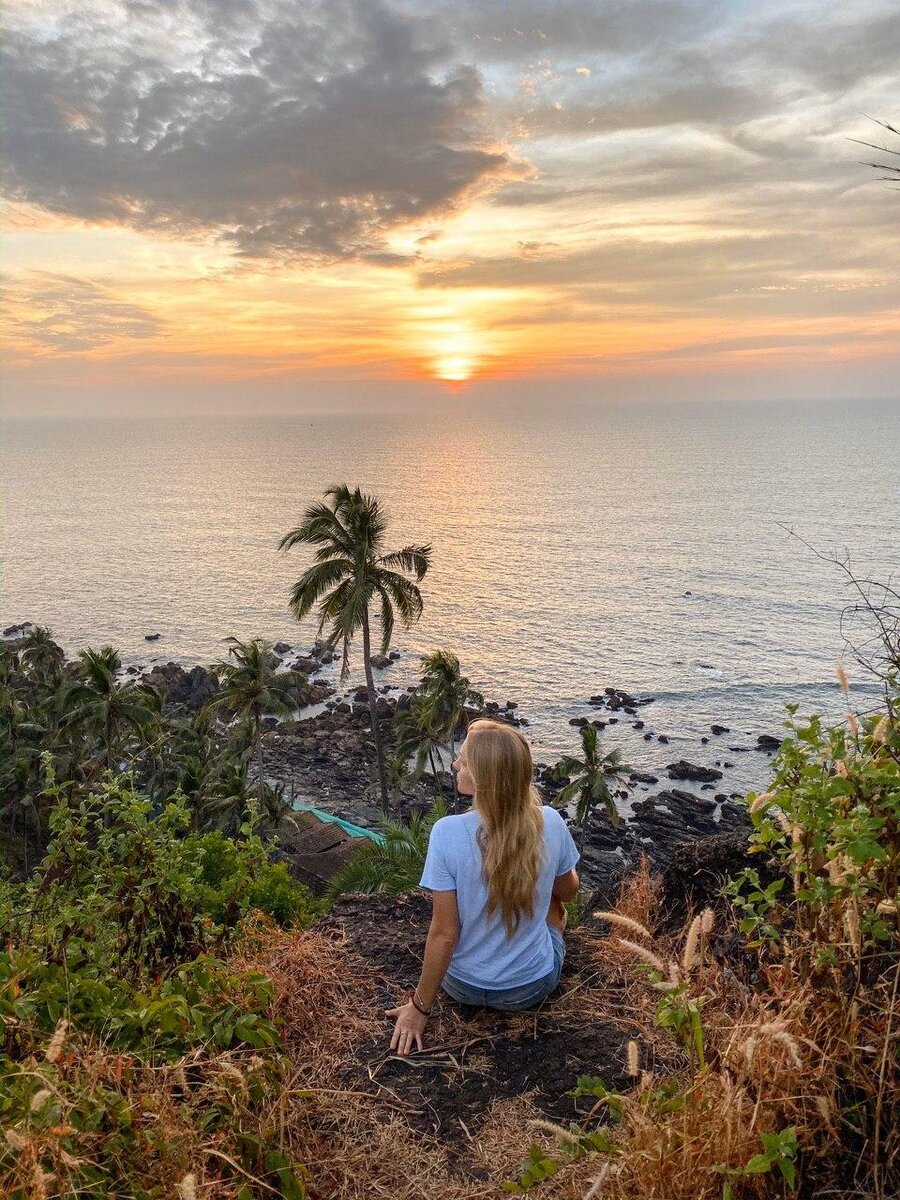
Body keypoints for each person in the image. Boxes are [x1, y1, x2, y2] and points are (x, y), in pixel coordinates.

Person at [387, 718, 580, 1056]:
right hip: (529, 988)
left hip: (462, 987)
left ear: (481, 779)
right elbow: (568, 890)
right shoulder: (549, 820)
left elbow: (444, 933)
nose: (455, 765)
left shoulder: (446, 833)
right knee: (553, 904)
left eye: (463, 760)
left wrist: (419, 1009)